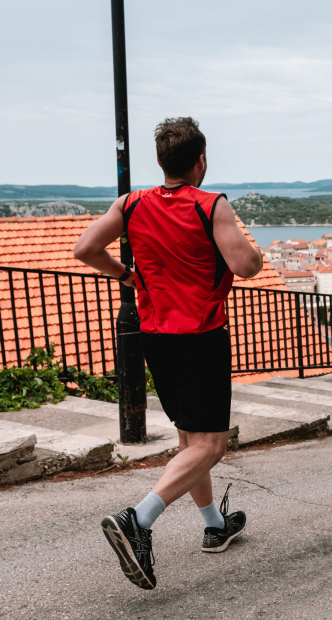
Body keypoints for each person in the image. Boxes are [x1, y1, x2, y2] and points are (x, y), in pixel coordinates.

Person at [73, 117, 263, 590]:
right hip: (200, 335)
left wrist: (124, 274)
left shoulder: (132, 203)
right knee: (211, 445)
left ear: (161, 162)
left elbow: (85, 249)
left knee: (188, 440)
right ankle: (139, 519)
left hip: (154, 334)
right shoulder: (210, 205)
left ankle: (215, 528)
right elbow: (245, 265)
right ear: (200, 161)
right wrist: (255, 254)